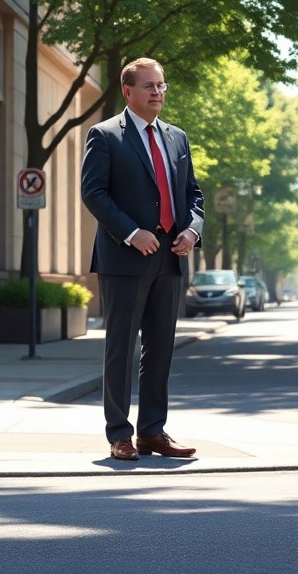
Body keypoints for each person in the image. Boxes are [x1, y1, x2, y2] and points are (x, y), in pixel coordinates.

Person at [81, 58, 204, 461]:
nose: (157, 92)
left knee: (161, 348)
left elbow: (193, 194)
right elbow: (93, 193)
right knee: (121, 348)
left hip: (170, 257)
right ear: (128, 91)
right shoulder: (104, 135)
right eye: (149, 86)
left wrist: (192, 230)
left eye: (161, 85)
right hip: (124, 259)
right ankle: (119, 434)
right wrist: (132, 232)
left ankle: (153, 432)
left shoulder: (177, 138)